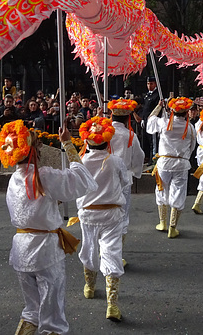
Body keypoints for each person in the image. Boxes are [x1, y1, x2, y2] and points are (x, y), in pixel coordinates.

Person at [0, 119, 97, 335]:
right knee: (52, 317)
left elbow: (33, 206)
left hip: (21, 251)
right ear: (34, 150)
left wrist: (53, 202)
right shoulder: (44, 176)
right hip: (45, 251)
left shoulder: (14, 179)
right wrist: (68, 145)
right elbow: (83, 180)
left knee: (32, 310)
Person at [76, 116, 130, 322]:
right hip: (112, 215)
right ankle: (112, 305)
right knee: (112, 254)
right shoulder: (115, 161)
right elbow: (125, 182)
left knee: (89, 249)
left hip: (89, 215)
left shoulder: (80, 162)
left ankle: (90, 287)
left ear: (86, 142)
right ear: (107, 142)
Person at [146, 97, 196, 238]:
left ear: (172, 111)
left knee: (161, 189)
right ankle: (172, 227)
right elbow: (192, 147)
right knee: (178, 192)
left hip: (164, 163)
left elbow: (150, 122)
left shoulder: (164, 122)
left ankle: (162, 222)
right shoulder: (190, 127)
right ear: (187, 113)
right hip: (181, 163)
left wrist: (159, 106)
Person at [108, 98, 145, 267]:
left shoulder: (102, 132)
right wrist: (135, 172)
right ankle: (115, 255)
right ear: (127, 118)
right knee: (121, 217)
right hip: (122, 181)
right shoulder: (130, 135)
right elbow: (139, 157)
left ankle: (104, 250)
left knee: (102, 215)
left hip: (102, 179)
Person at [139, 77, 160, 163]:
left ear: (155, 84)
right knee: (147, 140)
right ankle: (149, 158)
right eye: (148, 84)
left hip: (153, 121)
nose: (149, 86)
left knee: (153, 141)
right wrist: (143, 119)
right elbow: (145, 108)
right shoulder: (147, 95)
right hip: (146, 120)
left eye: (151, 84)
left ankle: (154, 159)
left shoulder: (157, 95)